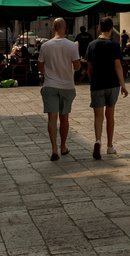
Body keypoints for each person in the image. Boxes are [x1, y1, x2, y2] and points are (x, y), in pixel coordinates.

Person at [85, 17, 128, 160]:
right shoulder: (115, 46)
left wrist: (92, 81)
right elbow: (118, 66)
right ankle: (110, 146)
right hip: (112, 84)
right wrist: (123, 85)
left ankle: (98, 141)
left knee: (98, 116)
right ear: (111, 29)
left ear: (99, 29)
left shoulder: (92, 45)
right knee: (110, 115)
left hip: (97, 84)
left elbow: (89, 68)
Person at [39, 18, 81, 162]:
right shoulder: (72, 46)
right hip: (67, 86)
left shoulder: (45, 46)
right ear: (65, 28)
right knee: (64, 118)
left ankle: (54, 149)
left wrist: (50, 74)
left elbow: (40, 67)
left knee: (52, 119)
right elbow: (77, 67)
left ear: (53, 29)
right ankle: (63, 147)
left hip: (50, 85)